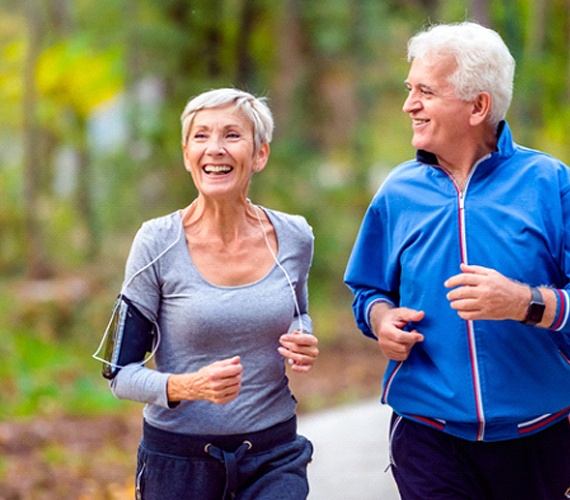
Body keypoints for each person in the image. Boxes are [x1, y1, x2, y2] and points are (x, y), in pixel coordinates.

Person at [344, 21, 570, 499]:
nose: (409, 105)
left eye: (425, 91)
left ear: (478, 106)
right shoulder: (397, 192)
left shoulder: (550, 184)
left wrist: (525, 302)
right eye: (410, 89)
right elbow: (368, 292)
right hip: (428, 434)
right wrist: (381, 321)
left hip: (543, 435)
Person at [98, 88, 318, 499]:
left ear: (259, 155)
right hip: (179, 464)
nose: (214, 149)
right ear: (186, 156)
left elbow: (298, 311)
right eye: (201, 136)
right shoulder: (156, 243)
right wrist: (188, 387)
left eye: (232, 135)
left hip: (273, 454)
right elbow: (118, 373)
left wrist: (302, 335)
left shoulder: (293, 236)